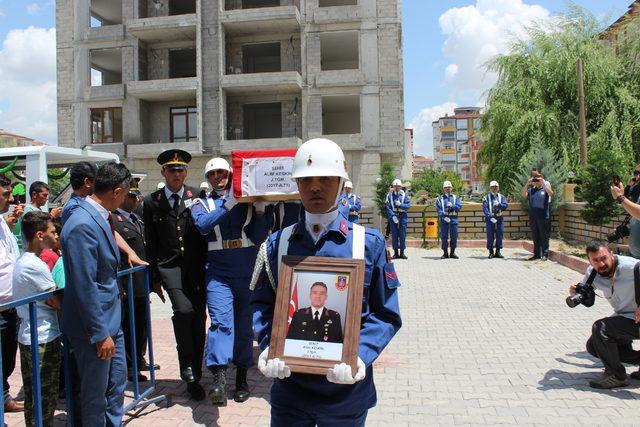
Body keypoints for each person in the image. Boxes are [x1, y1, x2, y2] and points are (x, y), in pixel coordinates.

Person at [251, 138, 402, 426]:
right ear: (297, 184)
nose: (315, 186)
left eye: (325, 178)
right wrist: (270, 344)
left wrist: (360, 356)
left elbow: (385, 314)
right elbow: (262, 305)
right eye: (306, 179)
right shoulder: (277, 244)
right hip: (290, 392)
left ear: (341, 182)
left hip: (346, 392)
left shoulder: (367, 244)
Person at [190, 157, 269, 406]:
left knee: (244, 326)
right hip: (218, 269)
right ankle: (219, 379)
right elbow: (203, 225)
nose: (218, 177)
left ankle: (242, 380)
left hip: (246, 266)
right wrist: (228, 203)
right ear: (208, 178)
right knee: (220, 322)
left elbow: (257, 236)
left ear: (230, 174)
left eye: (222, 172)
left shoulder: (244, 199)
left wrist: (259, 211)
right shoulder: (199, 201)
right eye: (213, 174)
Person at [61, 162, 131, 426]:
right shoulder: (81, 223)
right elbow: (84, 285)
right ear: (115, 191)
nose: (125, 199)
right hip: (95, 329)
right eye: (124, 194)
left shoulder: (98, 216)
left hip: (111, 321)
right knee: (95, 397)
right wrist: (100, 334)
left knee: (116, 386)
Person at [143, 149, 207, 401]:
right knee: (183, 311)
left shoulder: (198, 196)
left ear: (186, 173)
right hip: (169, 268)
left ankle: (195, 376)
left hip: (196, 267)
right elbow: (150, 241)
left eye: (180, 170)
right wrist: (154, 277)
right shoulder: (151, 201)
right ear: (163, 173)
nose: (176, 174)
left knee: (198, 318)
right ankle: (186, 365)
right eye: (171, 170)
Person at [568, 240, 640, 389]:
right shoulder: (592, 273)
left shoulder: (632, 267)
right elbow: (587, 298)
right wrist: (577, 292)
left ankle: (617, 376)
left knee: (601, 327)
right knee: (594, 345)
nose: (601, 264)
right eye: (595, 260)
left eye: (603, 258)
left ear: (611, 254)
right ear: (589, 261)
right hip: (626, 318)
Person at [13, 211, 62, 427]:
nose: (56, 235)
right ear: (40, 235)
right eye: (52, 231)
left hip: (33, 335)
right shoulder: (35, 265)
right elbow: (55, 301)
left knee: (36, 397)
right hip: (42, 336)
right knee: (44, 396)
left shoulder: (26, 260)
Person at [112, 179, 157, 383]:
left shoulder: (136, 219)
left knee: (141, 326)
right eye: (131, 196)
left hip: (141, 283)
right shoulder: (114, 220)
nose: (136, 199)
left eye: (136, 195)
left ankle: (139, 358)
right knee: (129, 327)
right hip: (127, 284)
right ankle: (131, 367)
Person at [0, 174, 25, 413]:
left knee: (7, 360)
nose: (11, 199)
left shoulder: (2, 223)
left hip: (11, 306)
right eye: (5, 194)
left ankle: (4, 396)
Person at [521, 171, 554, 261]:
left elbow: (551, 193)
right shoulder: (532, 190)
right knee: (535, 237)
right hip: (533, 217)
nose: (537, 181)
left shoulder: (545, 189)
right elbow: (523, 194)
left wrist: (543, 183)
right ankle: (536, 254)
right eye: (535, 179)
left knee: (544, 236)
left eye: (538, 179)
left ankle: (545, 254)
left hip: (543, 217)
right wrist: (527, 184)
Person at [611, 165, 640, 258]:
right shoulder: (635, 188)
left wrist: (620, 197)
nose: (637, 177)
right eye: (636, 173)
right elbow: (632, 209)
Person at [482, 181, 509, 259]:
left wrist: (499, 205)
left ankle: (498, 252)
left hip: (499, 217)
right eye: (492, 187)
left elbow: (505, 206)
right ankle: (491, 252)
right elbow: (485, 209)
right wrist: (490, 217)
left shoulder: (502, 197)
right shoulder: (486, 197)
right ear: (490, 188)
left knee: (499, 234)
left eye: (496, 187)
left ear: (498, 188)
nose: (494, 189)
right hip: (490, 219)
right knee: (490, 235)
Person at [436, 181, 462, 259]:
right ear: (443, 189)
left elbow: (459, 207)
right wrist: (444, 216)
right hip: (444, 219)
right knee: (444, 236)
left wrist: (453, 206)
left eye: (449, 187)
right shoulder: (439, 199)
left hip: (453, 218)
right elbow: (438, 209)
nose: (448, 189)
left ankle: (452, 253)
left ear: (452, 188)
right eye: (446, 187)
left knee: (454, 236)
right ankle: (445, 253)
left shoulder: (456, 197)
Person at [385, 178, 411, 259]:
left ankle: (402, 253)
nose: (396, 187)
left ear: (400, 187)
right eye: (395, 186)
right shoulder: (389, 196)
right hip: (394, 216)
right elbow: (388, 207)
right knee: (394, 235)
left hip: (402, 216)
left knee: (402, 234)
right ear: (393, 186)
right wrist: (392, 216)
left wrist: (400, 205)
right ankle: (396, 253)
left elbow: (407, 206)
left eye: (398, 186)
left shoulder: (405, 195)